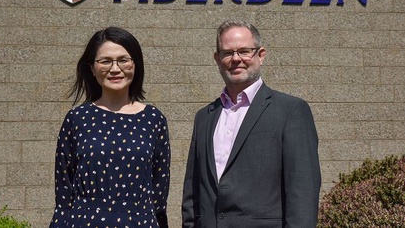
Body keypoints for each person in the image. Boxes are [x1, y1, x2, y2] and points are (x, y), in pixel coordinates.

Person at [182, 20, 321, 227]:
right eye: (227, 53)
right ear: (217, 59)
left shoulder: (290, 111)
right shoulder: (205, 117)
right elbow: (192, 194)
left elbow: (302, 193)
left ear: (261, 55)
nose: (236, 59)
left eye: (244, 51)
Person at [50, 27, 170, 228]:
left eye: (123, 60)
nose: (115, 69)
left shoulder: (153, 119)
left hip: (139, 222)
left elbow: (159, 190)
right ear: (92, 68)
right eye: (105, 61)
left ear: (135, 64)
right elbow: (64, 191)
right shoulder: (77, 118)